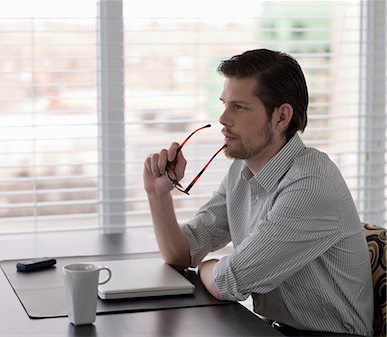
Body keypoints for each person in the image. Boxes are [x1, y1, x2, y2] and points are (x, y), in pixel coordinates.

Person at [143, 49, 374, 337]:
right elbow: (182, 253)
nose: (223, 118)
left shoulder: (312, 184)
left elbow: (228, 282)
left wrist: (207, 266)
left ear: (281, 117)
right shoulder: (241, 171)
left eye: (239, 107)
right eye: (224, 104)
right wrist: (158, 194)